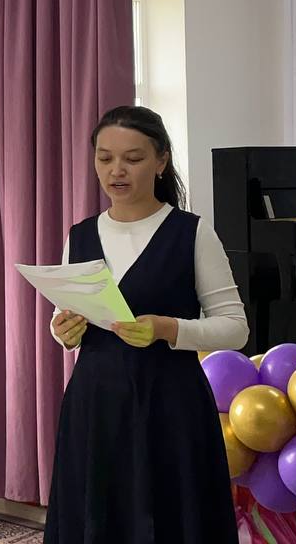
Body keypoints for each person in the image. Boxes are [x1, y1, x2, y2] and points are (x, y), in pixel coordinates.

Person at [44, 105, 248, 544]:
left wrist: (169, 329)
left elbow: (235, 327)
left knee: (173, 519)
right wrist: (62, 330)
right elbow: (63, 316)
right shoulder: (79, 235)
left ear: (160, 161)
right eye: (105, 158)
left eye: (132, 159)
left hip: (171, 405)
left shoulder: (192, 233)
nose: (116, 170)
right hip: (95, 405)